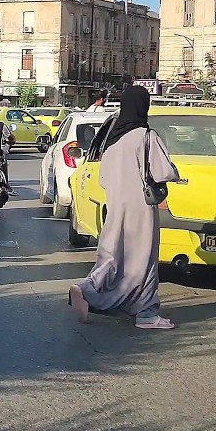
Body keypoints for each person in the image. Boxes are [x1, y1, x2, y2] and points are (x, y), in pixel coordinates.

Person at [69, 85, 180, 330]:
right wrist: (175, 173)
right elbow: (163, 172)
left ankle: (87, 289)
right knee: (143, 260)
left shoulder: (113, 140)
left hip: (116, 205)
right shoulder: (146, 136)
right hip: (140, 208)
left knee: (111, 256)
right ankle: (147, 314)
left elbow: (103, 179)